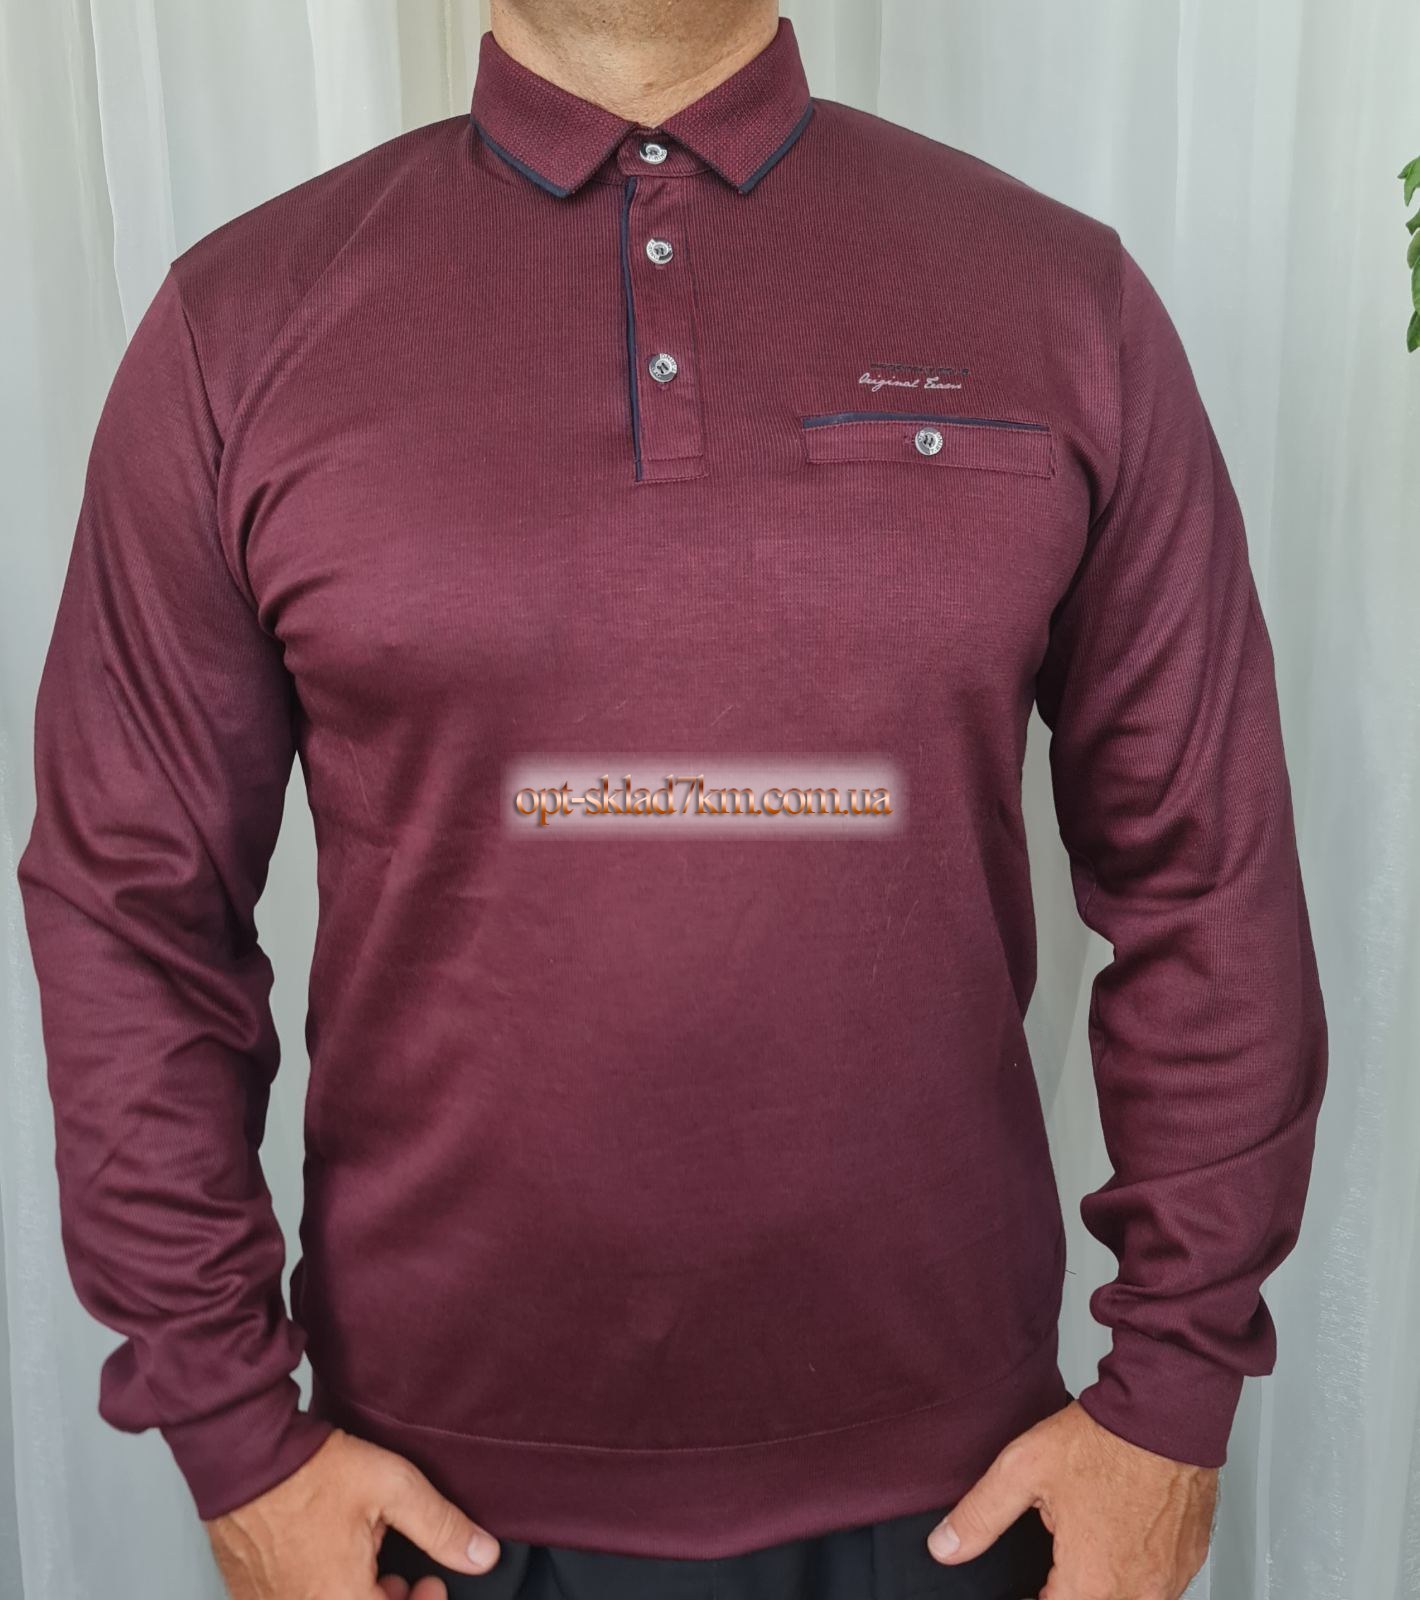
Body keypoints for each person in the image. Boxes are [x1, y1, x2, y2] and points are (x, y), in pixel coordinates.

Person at [15, 1, 1329, 1597]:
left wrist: (1172, 1398)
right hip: (421, 1522)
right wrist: (236, 1436)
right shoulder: (241, 326)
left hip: (963, 1503)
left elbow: (1209, 872)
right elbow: (132, 905)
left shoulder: (1058, 296)